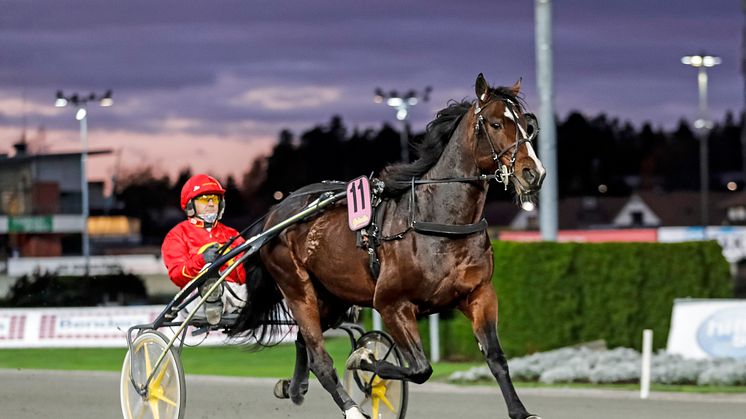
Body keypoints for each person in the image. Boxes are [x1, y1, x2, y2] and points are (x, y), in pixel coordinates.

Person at [161, 173, 247, 324]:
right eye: (204, 199)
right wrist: (202, 260)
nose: (211, 204)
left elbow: (246, 272)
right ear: (190, 205)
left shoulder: (232, 234)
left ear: (221, 203)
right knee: (209, 269)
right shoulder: (177, 235)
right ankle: (212, 295)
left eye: (214, 199)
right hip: (195, 300)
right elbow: (176, 275)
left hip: (236, 294)